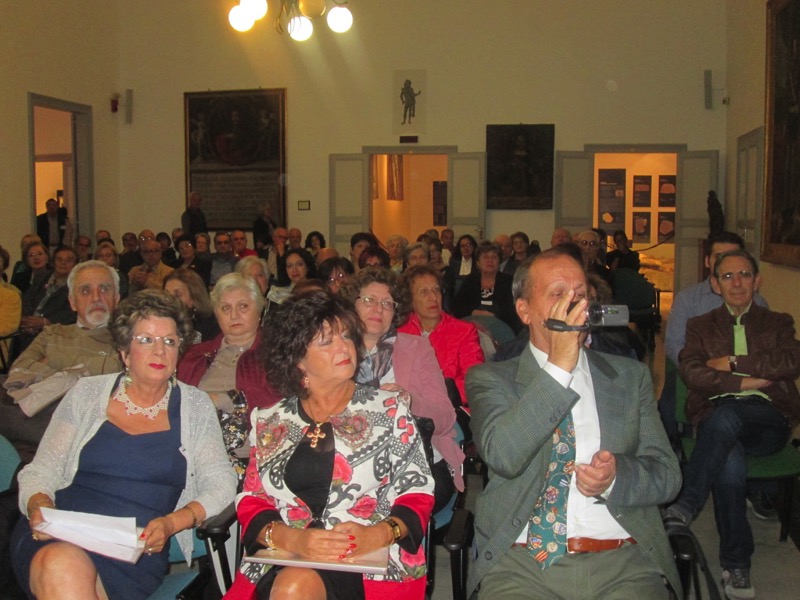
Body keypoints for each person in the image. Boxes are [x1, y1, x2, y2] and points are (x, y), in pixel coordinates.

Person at [465, 247, 682, 598]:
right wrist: (560, 365)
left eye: (580, 294)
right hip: (522, 564)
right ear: (524, 310)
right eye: (558, 294)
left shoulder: (629, 377)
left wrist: (615, 478)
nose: (574, 304)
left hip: (621, 561)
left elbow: (668, 476)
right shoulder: (491, 379)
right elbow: (504, 456)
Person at [10, 290, 236, 599]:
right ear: (125, 352)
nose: (160, 351)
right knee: (62, 564)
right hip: (60, 533)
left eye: (170, 341)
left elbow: (222, 484)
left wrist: (172, 523)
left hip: (133, 550)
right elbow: (42, 470)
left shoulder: (195, 407)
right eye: (146, 340)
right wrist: (39, 504)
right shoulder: (87, 394)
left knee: (66, 570)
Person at [225, 291, 434, 599]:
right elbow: (252, 499)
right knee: (292, 584)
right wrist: (292, 540)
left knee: (294, 587)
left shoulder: (389, 410)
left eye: (346, 336)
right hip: (284, 554)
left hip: (369, 559)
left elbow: (418, 491)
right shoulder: (269, 420)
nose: (344, 347)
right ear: (298, 359)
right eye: (327, 342)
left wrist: (376, 535)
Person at [663, 250, 800, 599]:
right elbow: (692, 371)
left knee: (727, 418)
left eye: (744, 275)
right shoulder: (700, 325)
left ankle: (686, 504)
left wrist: (733, 362)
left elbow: (791, 361)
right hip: (718, 414)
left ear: (757, 281)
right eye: (727, 276)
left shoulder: (778, 322)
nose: (736, 283)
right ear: (715, 284)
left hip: (768, 419)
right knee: (730, 459)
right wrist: (747, 381)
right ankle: (737, 565)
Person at [340, 268, 465, 511]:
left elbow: (446, 418)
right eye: (369, 300)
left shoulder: (417, 348)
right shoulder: (334, 349)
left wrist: (409, 400)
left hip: (416, 460)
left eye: (387, 303)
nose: (379, 309)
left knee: (381, 504)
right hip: (347, 461)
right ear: (351, 305)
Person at [1, 261, 123, 460]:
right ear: (72, 302)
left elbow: (113, 372)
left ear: (116, 299)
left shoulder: (126, 341)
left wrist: (51, 362)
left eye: (104, 289)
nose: (96, 297)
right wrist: (79, 374)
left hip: (79, 439)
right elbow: (19, 369)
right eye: (85, 290)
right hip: (27, 430)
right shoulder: (52, 333)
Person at [661, 231, 768, 441]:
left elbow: (766, 352)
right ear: (708, 261)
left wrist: (734, 366)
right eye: (719, 256)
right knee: (668, 407)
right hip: (695, 373)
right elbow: (674, 345)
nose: (727, 263)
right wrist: (704, 368)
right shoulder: (688, 299)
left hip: (746, 378)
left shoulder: (758, 303)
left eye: (734, 256)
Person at [178, 273, 280, 479]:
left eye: (243, 306)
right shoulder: (193, 355)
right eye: (225, 308)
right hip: (191, 458)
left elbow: (280, 405)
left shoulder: (276, 354)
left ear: (259, 309)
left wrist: (224, 400)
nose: (234, 315)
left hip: (253, 461)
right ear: (216, 314)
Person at [398, 265, 484, 408]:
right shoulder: (399, 333)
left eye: (436, 290)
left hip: (452, 407)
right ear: (410, 299)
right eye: (424, 292)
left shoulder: (464, 331)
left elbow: (474, 381)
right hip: (406, 408)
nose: (433, 297)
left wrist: (436, 395)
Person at [15, 246, 78, 356]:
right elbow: (27, 299)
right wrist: (26, 320)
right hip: (29, 328)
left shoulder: (77, 285)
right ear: (53, 262)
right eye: (59, 259)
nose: (63, 263)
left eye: (68, 260)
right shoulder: (42, 276)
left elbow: (71, 313)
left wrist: (45, 322)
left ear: (75, 264)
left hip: (55, 333)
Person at [452, 241, 520, 334]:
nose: (490, 260)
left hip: (502, 329)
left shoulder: (509, 281)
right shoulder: (470, 280)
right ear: (478, 262)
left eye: (494, 257)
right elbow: (457, 308)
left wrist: (494, 317)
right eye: (485, 257)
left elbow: (514, 312)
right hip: (473, 328)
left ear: (499, 262)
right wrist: (474, 312)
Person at [164, 268, 220, 343]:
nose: (170, 300)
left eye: (177, 295)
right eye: (166, 294)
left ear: (194, 297)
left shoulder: (211, 326)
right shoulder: (160, 322)